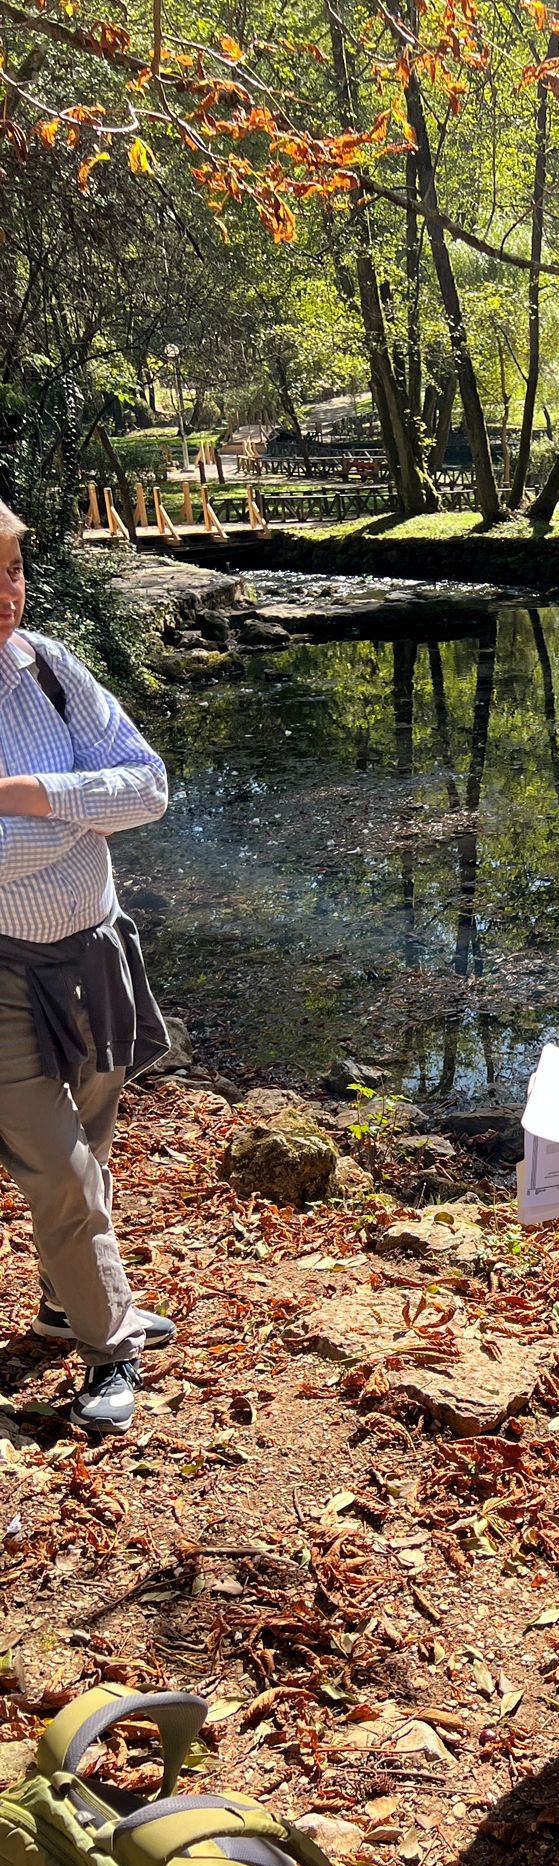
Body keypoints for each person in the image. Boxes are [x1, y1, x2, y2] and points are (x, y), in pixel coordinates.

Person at [0, 499, 174, 1436]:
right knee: (60, 1169)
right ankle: (109, 1349)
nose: (5, 596)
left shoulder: (51, 669)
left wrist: (28, 795)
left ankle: (68, 1302)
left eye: (13, 571)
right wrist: (78, 821)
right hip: (2, 972)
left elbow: (147, 785)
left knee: (93, 1151)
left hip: (94, 947)